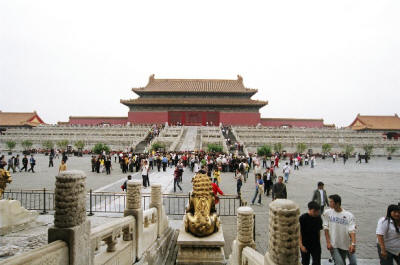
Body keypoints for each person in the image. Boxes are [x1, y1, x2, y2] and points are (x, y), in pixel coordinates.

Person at [323, 194, 357, 265]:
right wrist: (328, 242)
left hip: (346, 244)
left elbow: (352, 231)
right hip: (334, 244)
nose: (329, 203)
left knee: (353, 263)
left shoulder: (349, 215)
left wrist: (353, 244)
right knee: (340, 263)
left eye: (331, 202)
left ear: (337, 203)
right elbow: (326, 229)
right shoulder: (327, 213)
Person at [300, 201, 323, 265]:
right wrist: (301, 245)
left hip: (315, 244)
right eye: (315, 211)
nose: (317, 213)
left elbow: (319, 231)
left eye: (318, 211)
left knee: (317, 262)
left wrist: (319, 243)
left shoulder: (318, 218)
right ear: (311, 210)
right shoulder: (303, 218)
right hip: (305, 244)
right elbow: (299, 233)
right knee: (305, 262)